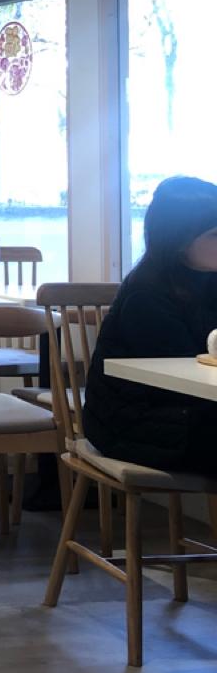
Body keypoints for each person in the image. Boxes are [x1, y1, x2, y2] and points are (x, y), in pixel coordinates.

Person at [83, 176, 217, 476]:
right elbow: (182, 378)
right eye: (215, 234)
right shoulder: (146, 293)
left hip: (183, 413)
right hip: (132, 423)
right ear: (179, 239)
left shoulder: (208, 278)